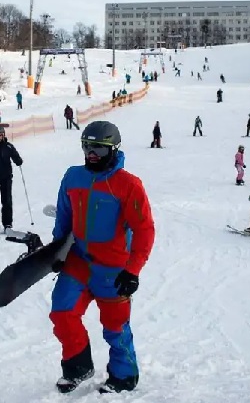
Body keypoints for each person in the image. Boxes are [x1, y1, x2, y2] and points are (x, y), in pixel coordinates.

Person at [48, 120, 155, 394]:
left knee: (115, 328)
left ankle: (123, 376)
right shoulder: (73, 177)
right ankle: (78, 367)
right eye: (86, 146)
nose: (90, 153)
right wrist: (57, 251)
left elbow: (144, 229)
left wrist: (133, 270)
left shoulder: (128, 184)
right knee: (62, 312)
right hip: (79, 261)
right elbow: (64, 216)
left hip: (114, 269)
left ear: (113, 149)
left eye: (98, 147)